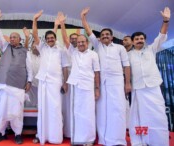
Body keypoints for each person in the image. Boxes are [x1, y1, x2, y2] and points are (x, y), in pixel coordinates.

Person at [81, 7, 131, 145]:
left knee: (118, 110)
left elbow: (126, 66)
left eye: (107, 35)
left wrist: (127, 83)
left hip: (117, 82)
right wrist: (83, 17)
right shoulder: (98, 46)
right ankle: (103, 139)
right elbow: (89, 31)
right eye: (102, 35)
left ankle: (119, 140)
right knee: (102, 111)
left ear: (112, 37)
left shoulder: (120, 48)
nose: (104, 36)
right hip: (102, 83)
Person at [128, 7, 170, 146]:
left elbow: (161, 36)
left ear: (145, 40)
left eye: (141, 38)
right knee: (139, 117)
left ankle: (159, 141)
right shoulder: (128, 55)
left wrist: (165, 20)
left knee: (158, 116)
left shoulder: (151, 49)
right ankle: (142, 141)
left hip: (153, 88)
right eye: (137, 39)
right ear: (133, 42)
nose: (139, 40)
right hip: (138, 89)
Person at [58, 12, 100, 146]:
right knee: (76, 113)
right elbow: (65, 40)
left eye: (83, 41)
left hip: (88, 87)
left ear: (87, 42)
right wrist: (62, 23)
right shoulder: (73, 52)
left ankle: (89, 139)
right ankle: (77, 139)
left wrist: (97, 89)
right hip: (75, 86)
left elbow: (97, 72)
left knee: (88, 113)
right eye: (79, 42)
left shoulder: (93, 54)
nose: (81, 43)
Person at [0, 9, 32, 144]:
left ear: (20, 39)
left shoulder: (26, 51)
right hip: (3, 83)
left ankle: (17, 134)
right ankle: (0, 133)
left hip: (18, 85)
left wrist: (29, 81)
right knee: (1, 110)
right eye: (11, 37)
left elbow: (29, 67)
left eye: (15, 37)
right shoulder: (5, 47)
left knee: (17, 111)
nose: (13, 38)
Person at [32, 10, 70, 145]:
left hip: (56, 83)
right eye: (47, 38)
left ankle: (55, 137)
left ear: (55, 38)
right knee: (43, 109)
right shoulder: (43, 48)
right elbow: (35, 35)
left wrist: (65, 83)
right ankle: (42, 135)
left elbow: (65, 67)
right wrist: (34, 20)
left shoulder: (61, 50)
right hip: (43, 82)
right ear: (46, 40)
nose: (50, 40)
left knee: (55, 109)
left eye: (52, 38)